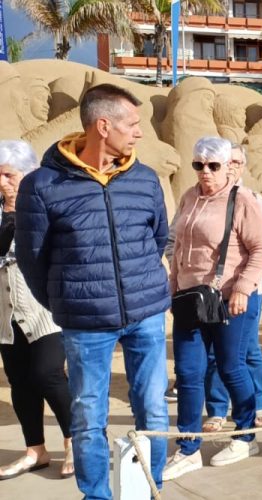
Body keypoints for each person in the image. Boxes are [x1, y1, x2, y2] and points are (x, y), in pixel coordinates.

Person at [16, 84, 172, 497]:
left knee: (153, 408)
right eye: (133, 124)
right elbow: (33, 258)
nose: (139, 133)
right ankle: (97, 494)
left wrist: (140, 286)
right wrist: (68, 302)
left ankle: (150, 488)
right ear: (103, 126)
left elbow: (158, 238)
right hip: (85, 324)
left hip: (147, 314)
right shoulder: (42, 185)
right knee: (88, 416)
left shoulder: (144, 178)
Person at [163, 137, 262, 480]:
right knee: (189, 372)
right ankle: (189, 447)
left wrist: (242, 287)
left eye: (213, 166)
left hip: (230, 299)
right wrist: (174, 281)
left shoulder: (244, 201)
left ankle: (245, 435)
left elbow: (260, 249)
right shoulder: (189, 197)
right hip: (190, 299)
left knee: (231, 367)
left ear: (228, 167)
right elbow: (176, 241)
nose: (205, 172)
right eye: (198, 165)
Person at [199, 143, 262, 432]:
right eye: (227, 161)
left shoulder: (253, 199)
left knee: (246, 350)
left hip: (247, 290)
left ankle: (256, 405)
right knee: (214, 353)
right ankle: (216, 408)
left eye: (237, 161)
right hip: (211, 290)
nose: (232, 166)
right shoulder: (201, 197)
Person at [0, 140, 73, 480]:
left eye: (9, 175)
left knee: (48, 374)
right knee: (20, 382)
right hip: (6, 313)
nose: (3, 182)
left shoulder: (45, 207)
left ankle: (75, 441)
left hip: (45, 311)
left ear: (28, 175)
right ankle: (36, 451)